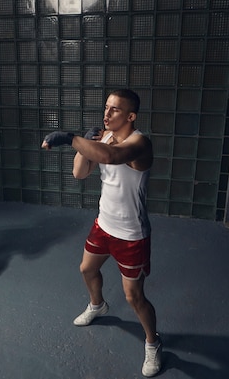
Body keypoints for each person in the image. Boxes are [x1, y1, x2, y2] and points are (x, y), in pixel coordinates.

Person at [41, 89, 161, 377]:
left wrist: (70, 138)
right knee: (86, 269)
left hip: (131, 233)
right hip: (103, 224)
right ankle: (98, 304)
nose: (106, 114)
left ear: (130, 116)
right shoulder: (103, 138)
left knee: (134, 296)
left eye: (115, 110)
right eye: (106, 107)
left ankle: (153, 344)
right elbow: (80, 173)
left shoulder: (139, 143)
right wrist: (85, 143)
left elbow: (112, 156)